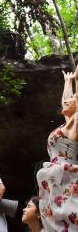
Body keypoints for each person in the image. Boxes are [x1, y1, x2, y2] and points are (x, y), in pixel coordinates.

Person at [36, 66, 78, 231]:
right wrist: (68, 82)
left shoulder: (75, 123)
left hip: (67, 173)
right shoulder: (67, 123)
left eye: (73, 98)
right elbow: (66, 101)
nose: (66, 101)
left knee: (68, 215)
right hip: (54, 175)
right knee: (54, 218)